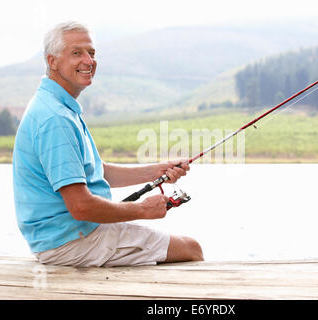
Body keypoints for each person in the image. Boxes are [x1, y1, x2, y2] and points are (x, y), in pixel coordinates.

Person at [12, 21, 203, 267]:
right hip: (70, 242)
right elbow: (81, 207)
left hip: (69, 236)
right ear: (52, 61)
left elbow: (98, 172)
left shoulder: (57, 106)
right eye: (76, 53)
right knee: (191, 249)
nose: (88, 61)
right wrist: (143, 210)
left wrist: (159, 170)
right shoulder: (55, 118)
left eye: (91, 53)